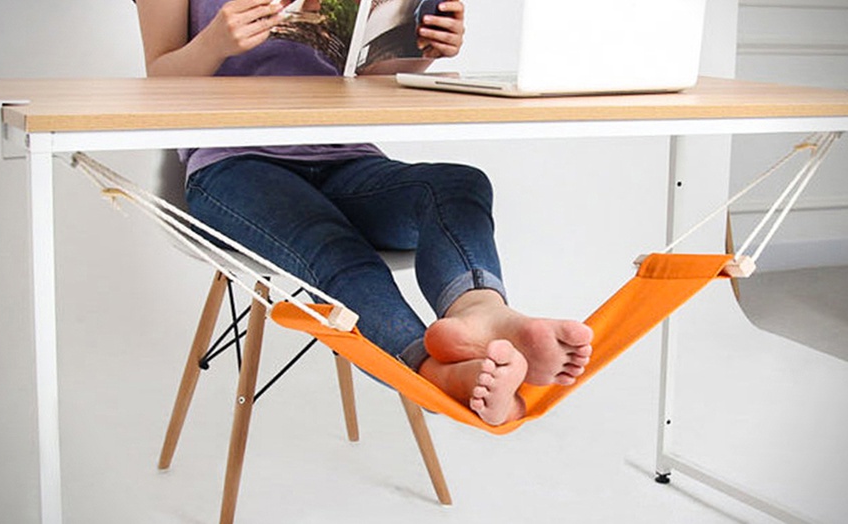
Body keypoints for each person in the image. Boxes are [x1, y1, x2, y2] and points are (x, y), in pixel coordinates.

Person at [135, 0, 593, 426]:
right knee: (330, 244)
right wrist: (216, 41)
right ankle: (434, 374)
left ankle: (480, 313)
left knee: (457, 185)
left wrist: (420, 48)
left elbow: (365, 71)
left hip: (344, 152)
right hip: (233, 163)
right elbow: (158, 80)